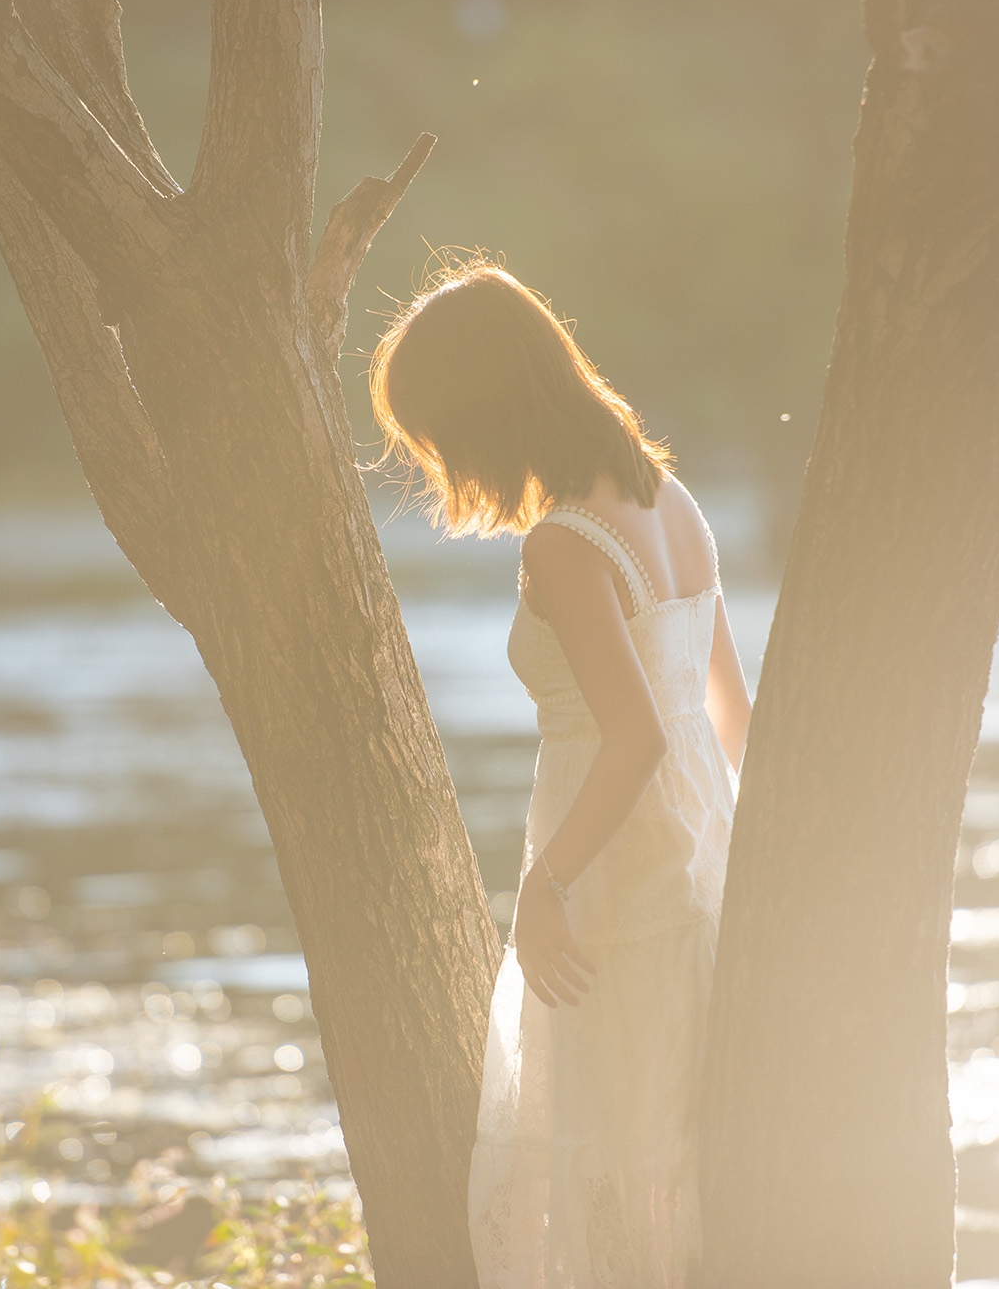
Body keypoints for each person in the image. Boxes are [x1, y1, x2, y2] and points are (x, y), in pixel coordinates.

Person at [370, 260, 752, 1288]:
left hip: (614, 883)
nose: (439, 459)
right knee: (663, 1148)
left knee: (612, 1149)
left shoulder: (562, 546)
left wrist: (548, 885)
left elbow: (632, 738)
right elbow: (731, 717)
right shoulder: (669, 500)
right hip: (691, 865)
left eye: (436, 434)